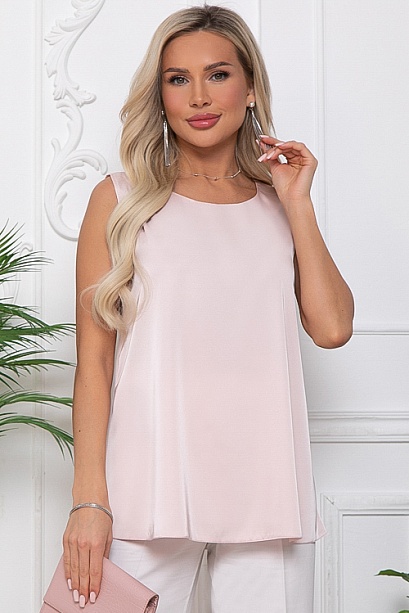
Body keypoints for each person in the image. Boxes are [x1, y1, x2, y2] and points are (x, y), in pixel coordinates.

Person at [62, 4, 354, 612]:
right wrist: (89, 501)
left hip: (267, 489)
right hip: (146, 486)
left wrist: (298, 204)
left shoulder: (281, 204)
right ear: (160, 94)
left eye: (218, 74)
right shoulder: (119, 201)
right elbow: (94, 363)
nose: (198, 96)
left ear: (250, 90)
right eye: (178, 79)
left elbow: (331, 328)